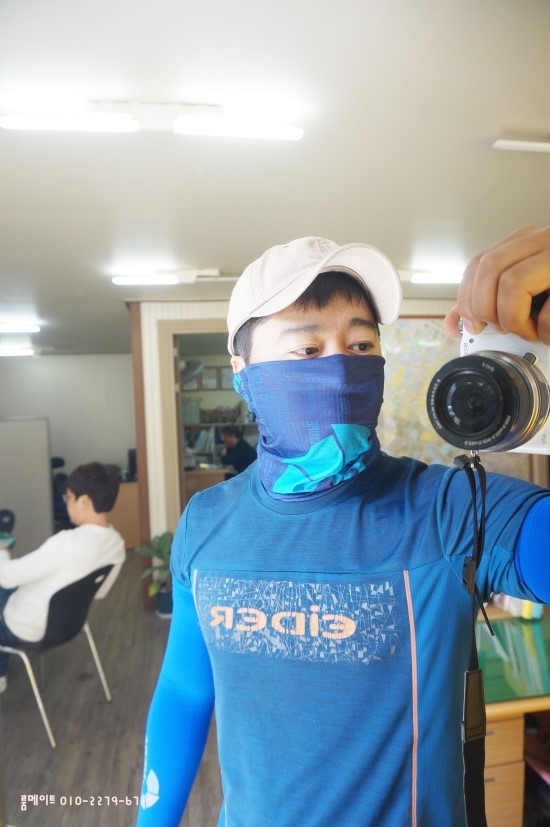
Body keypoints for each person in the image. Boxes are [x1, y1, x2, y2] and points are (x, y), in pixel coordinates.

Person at [137, 228, 550, 827]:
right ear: (242, 371)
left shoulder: (453, 510)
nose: (338, 371)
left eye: (360, 345)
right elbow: (185, 690)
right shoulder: (206, 521)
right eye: (307, 350)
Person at [0, 462, 126, 692]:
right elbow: (100, 593)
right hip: (68, 625)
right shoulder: (117, 544)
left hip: (24, 627)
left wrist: (2, 552)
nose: (66, 502)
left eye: (68, 497)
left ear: (84, 501)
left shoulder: (68, 542)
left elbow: (6, 577)